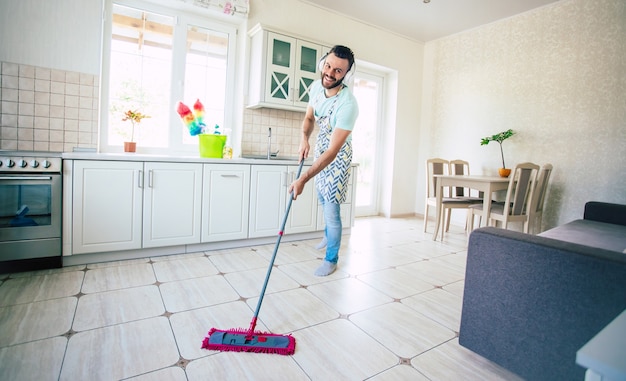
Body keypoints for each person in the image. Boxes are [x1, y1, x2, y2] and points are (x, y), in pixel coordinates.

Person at [288, 45, 359, 276]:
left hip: (337, 156)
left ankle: (331, 258)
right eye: (328, 66)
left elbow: (333, 151)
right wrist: (304, 139)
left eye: (338, 71)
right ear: (323, 64)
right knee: (321, 196)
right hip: (320, 148)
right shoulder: (317, 87)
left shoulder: (348, 105)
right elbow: (309, 117)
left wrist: (303, 179)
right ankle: (327, 236)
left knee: (331, 209)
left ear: (346, 74)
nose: (330, 73)